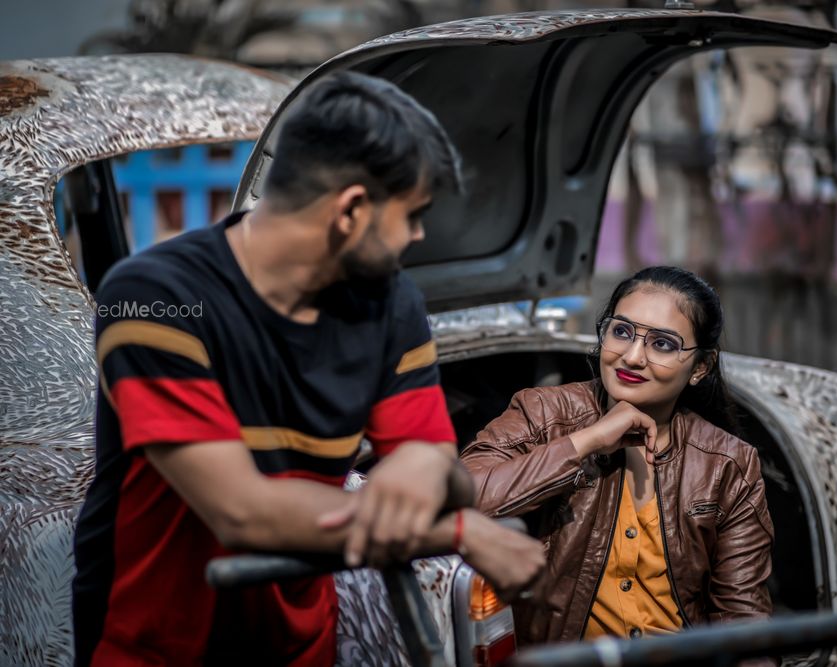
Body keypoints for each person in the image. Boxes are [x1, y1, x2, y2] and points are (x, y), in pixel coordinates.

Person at [72, 72, 545, 666]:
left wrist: (420, 469)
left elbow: (440, 468)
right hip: (154, 653)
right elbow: (241, 512)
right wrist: (457, 534)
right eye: (413, 215)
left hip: (302, 649)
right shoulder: (155, 296)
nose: (420, 236)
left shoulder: (391, 305)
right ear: (350, 210)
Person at [460, 266, 775, 649]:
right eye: (622, 332)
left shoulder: (727, 463)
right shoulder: (543, 413)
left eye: (662, 344)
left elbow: (744, 623)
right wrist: (587, 441)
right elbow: (461, 499)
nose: (632, 357)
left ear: (700, 367)